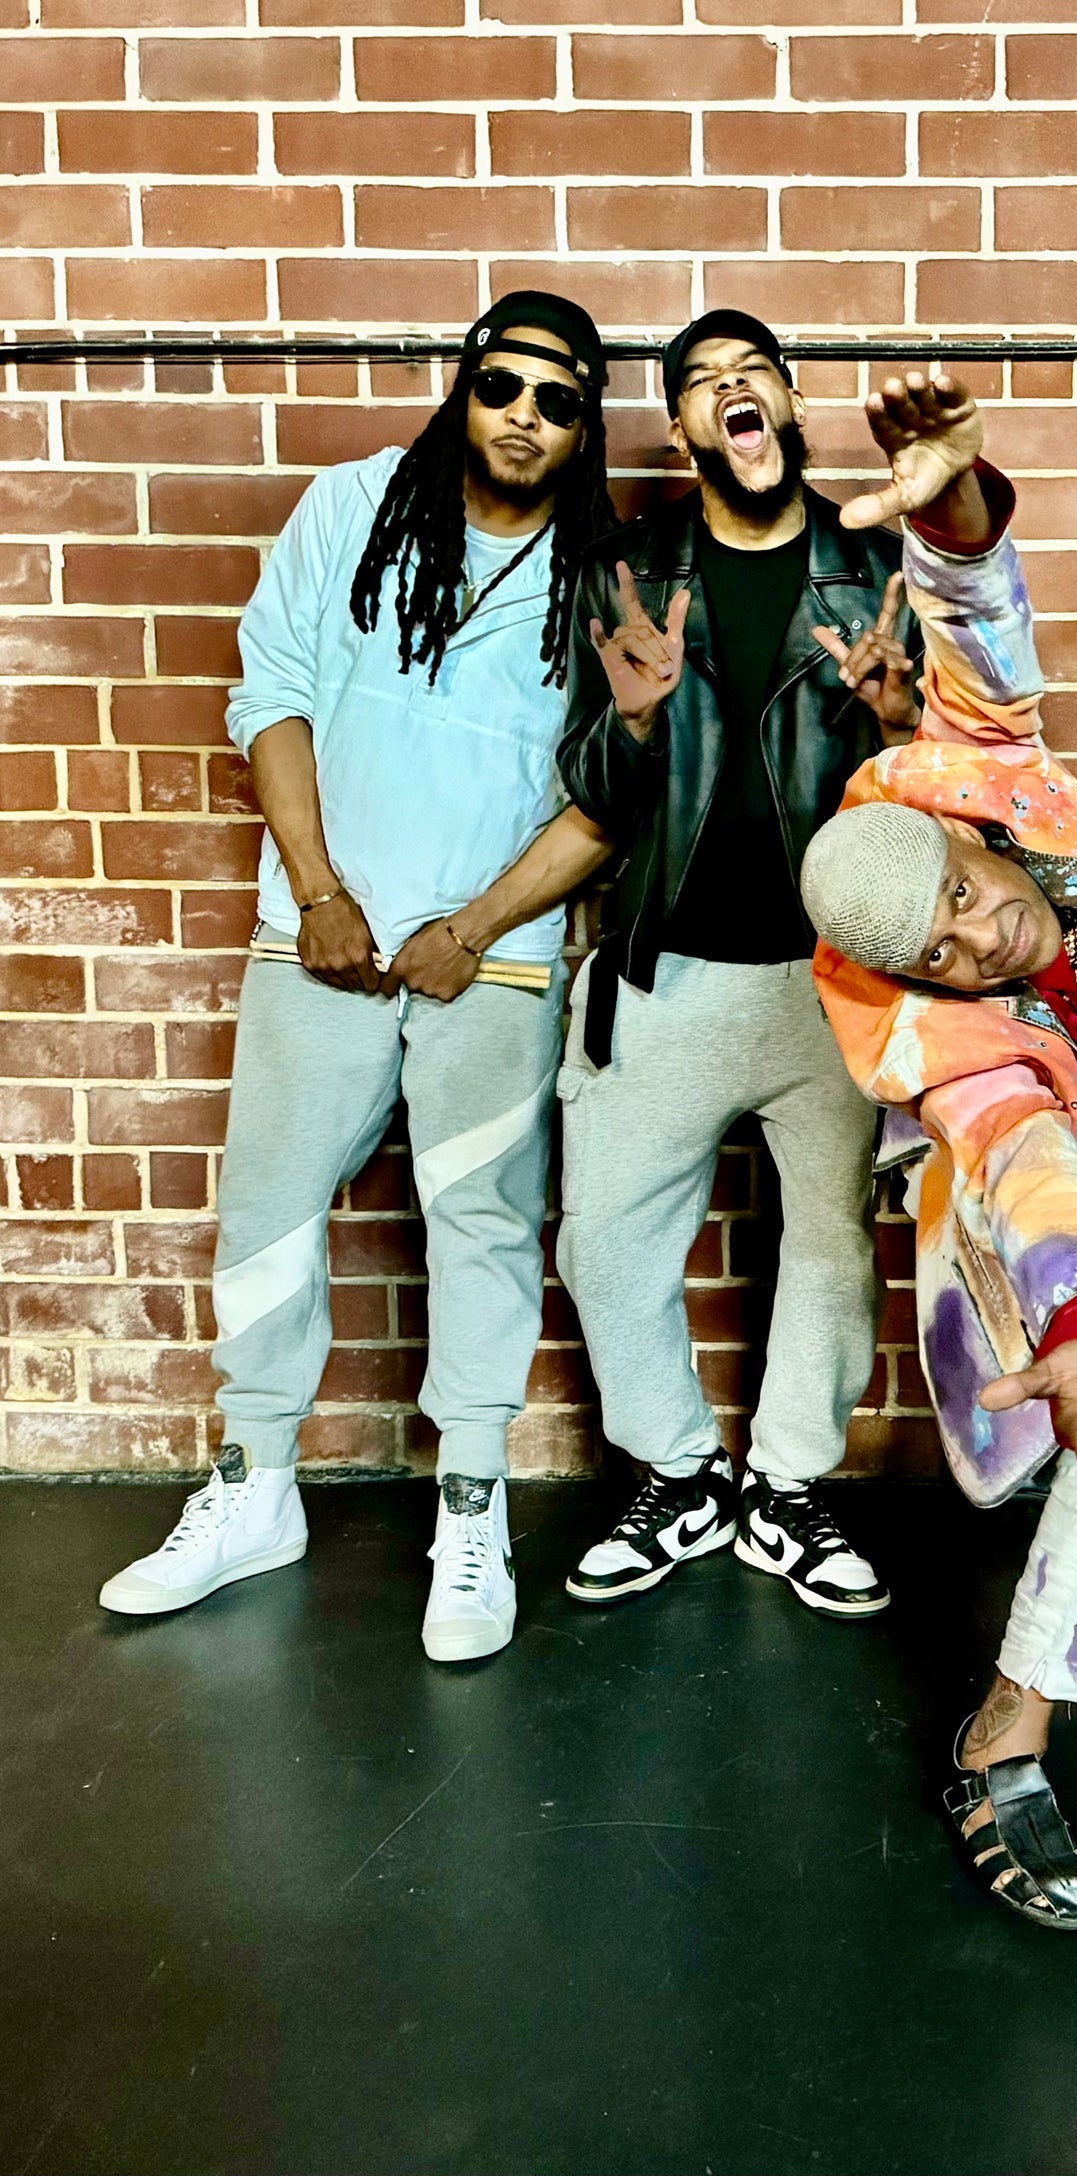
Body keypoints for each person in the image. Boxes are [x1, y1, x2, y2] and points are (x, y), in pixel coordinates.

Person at [98, 294, 622, 1663]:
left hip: (492, 965)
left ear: (585, 427)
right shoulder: (350, 507)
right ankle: (253, 1487)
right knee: (267, 1208)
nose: (524, 416)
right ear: (465, 386)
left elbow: (612, 793)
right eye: (502, 385)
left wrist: (476, 926)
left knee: (482, 1225)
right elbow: (268, 692)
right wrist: (320, 891)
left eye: (559, 400)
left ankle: (471, 1505)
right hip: (315, 940)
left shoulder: (602, 574)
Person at [797, 373, 1077, 1928]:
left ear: (965, 838)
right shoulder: (945, 1039)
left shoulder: (980, 782)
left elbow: (978, 632)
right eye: (939, 953)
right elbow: (1024, 1159)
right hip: (1050, 1182)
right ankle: (1005, 1736)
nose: (981, 942)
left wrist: (948, 500)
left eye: (966, 899)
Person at [554, 309, 924, 1618]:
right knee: (605, 1243)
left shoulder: (876, 565)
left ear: (790, 400)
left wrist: (901, 724)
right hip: (665, 971)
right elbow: (591, 791)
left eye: (752, 371)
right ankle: (679, 1476)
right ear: (682, 430)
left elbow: (955, 781)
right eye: (703, 382)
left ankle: (786, 1489)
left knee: (828, 1248)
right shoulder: (627, 571)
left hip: (834, 981)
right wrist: (632, 724)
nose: (732, 391)